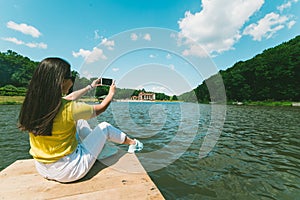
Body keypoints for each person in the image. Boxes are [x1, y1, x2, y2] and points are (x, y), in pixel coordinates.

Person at [18, 57, 143, 183]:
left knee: (80, 121)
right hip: (70, 171)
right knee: (105, 128)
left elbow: (70, 97)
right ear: (61, 81)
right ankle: (133, 143)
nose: (72, 81)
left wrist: (91, 86)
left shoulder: (32, 105)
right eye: (71, 78)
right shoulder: (70, 108)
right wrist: (111, 94)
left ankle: (101, 150)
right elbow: (101, 107)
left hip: (43, 169)